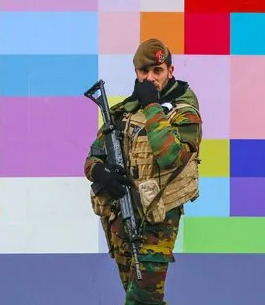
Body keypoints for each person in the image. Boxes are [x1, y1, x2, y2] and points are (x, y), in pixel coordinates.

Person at [83, 38, 203, 304]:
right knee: (139, 296)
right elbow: (91, 159)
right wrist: (103, 174)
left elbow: (169, 156)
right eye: (144, 72)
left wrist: (151, 106)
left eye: (157, 71)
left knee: (141, 299)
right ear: (136, 73)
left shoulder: (184, 113)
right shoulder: (124, 112)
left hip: (157, 220)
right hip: (121, 218)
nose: (150, 78)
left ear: (170, 71)